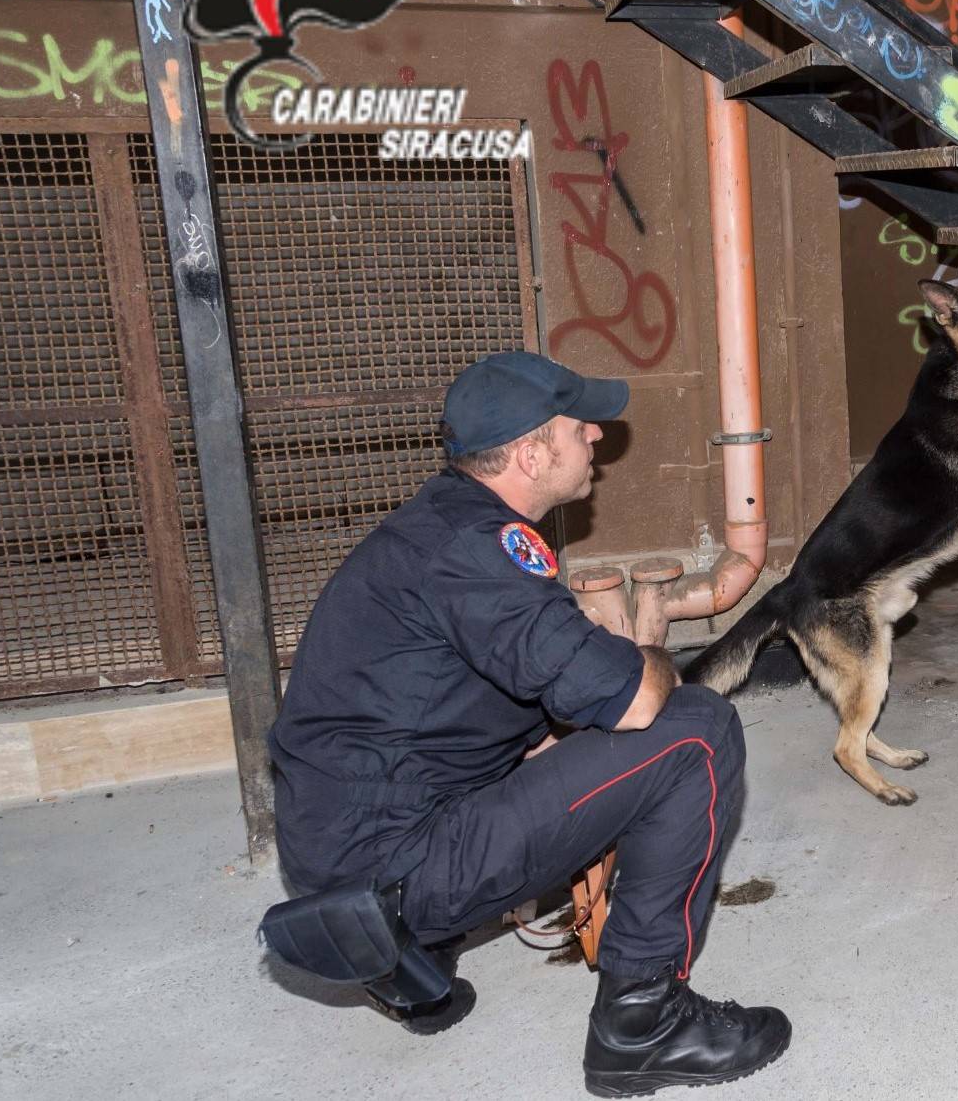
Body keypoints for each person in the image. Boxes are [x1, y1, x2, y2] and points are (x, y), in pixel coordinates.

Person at [267, 350, 790, 1096]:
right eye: (582, 427)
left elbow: (462, 698)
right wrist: (651, 659)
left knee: (565, 730)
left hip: (342, 853)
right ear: (532, 452)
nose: (597, 440)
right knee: (696, 730)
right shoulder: (481, 549)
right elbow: (636, 698)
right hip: (392, 868)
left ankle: (413, 962)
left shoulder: (444, 524)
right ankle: (642, 1021)